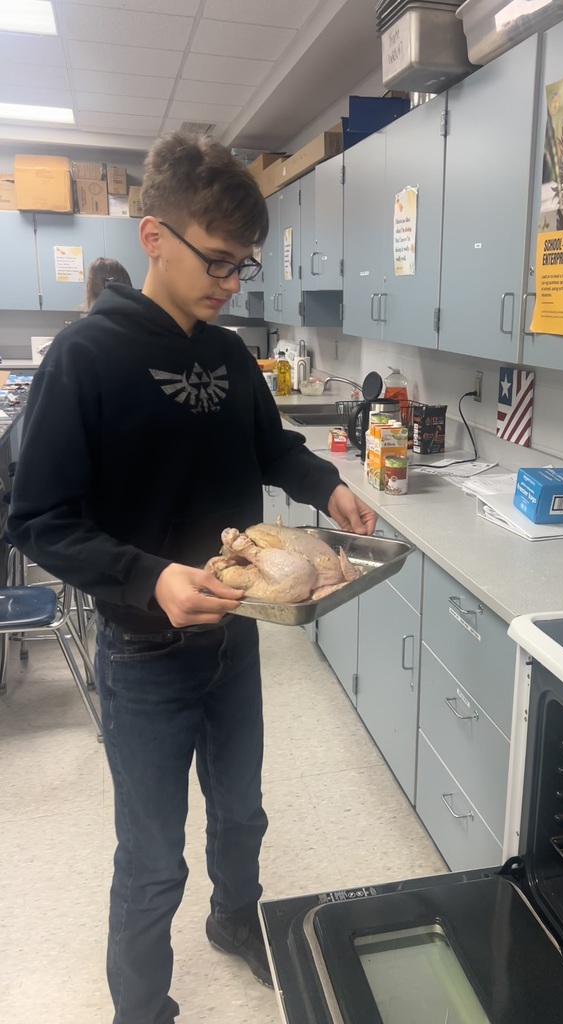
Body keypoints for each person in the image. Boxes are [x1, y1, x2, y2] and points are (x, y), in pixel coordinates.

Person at [8, 131, 376, 1024]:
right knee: (151, 856)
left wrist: (325, 485)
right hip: (145, 656)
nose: (227, 280)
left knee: (243, 815)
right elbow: (36, 518)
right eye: (216, 259)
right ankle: (141, 1006)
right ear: (154, 237)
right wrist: (149, 579)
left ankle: (235, 923)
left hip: (235, 642)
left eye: (241, 266)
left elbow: (270, 446)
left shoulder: (226, 355)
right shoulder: (85, 359)